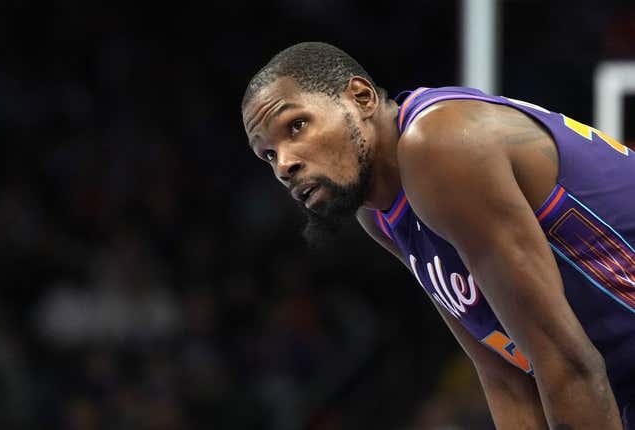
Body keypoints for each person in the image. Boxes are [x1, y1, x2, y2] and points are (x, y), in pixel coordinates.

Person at [241, 42, 635, 429]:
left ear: (360, 98)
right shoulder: (380, 215)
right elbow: (507, 376)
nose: (284, 165)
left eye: (296, 126)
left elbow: (568, 363)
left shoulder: (440, 147)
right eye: (269, 155)